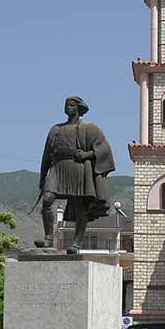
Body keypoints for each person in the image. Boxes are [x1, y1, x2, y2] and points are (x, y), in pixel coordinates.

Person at [35, 96, 115, 253]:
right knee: (47, 200)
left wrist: (85, 155)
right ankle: (48, 239)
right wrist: (42, 177)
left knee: (80, 207)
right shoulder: (55, 129)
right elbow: (46, 156)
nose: (68, 108)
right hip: (58, 168)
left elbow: (104, 150)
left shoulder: (90, 128)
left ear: (79, 108)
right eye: (66, 105)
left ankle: (76, 243)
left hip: (78, 168)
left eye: (72, 105)